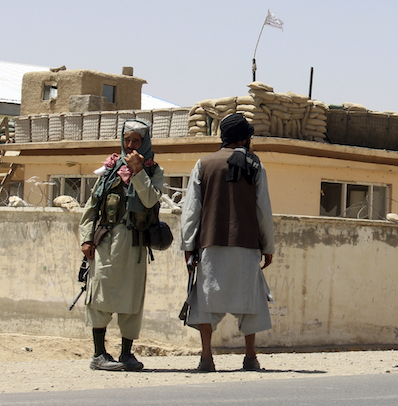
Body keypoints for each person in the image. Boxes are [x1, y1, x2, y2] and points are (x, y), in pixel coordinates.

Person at [180, 113, 275, 372]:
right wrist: (268, 246)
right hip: (246, 245)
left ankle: (206, 357)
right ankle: (250, 357)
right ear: (244, 138)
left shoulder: (203, 164)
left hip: (211, 244)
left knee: (205, 302)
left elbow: (191, 210)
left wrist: (189, 245)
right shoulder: (256, 165)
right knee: (251, 302)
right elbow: (262, 209)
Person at [79, 119, 164, 371]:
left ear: (144, 143)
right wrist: (86, 237)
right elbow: (91, 207)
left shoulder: (152, 171)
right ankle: (99, 354)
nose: (130, 145)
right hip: (106, 243)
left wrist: (138, 171)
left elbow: (150, 201)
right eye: (127, 140)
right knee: (100, 295)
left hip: (135, 245)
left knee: (132, 299)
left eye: (135, 141)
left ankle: (126, 353)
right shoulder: (109, 169)